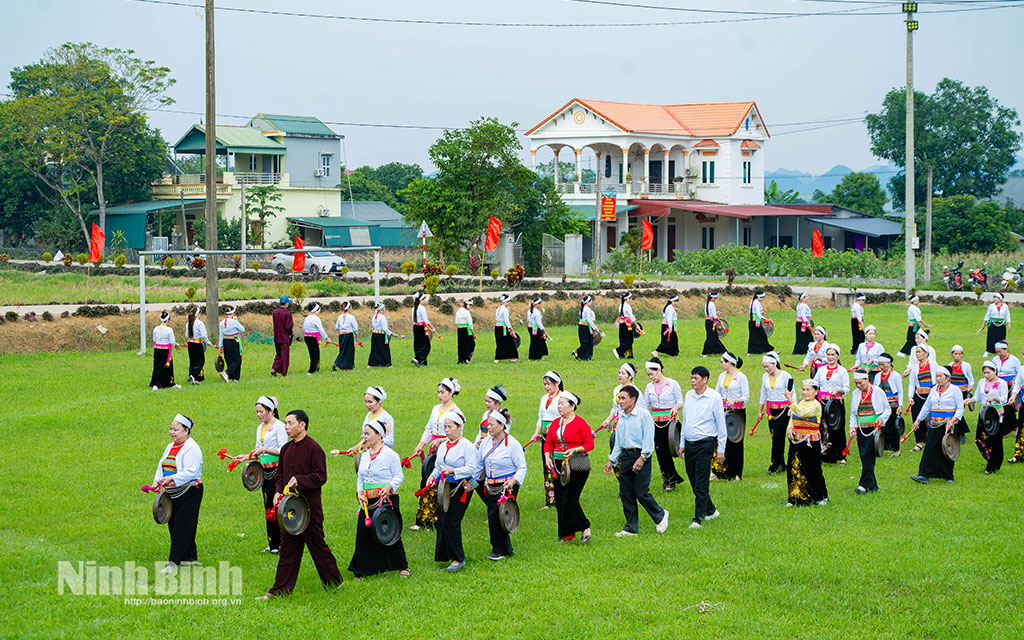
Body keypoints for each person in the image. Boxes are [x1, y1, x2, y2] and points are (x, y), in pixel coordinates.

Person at [258, 409, 343, 599]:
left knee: (318, 548)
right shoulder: (286, 449)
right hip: (288, 510)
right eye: (286, 423)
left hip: (308, 510)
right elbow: (279, 475)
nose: (286, 427)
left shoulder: (314, 448)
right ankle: (279, 591)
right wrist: (278, 491)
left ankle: (335, 583)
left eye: (290, 423)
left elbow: (321, 477)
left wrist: (300, 480)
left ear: (302, 424)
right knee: (287, 552)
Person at [348, 418, 410, 578]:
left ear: (379, 435)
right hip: (367, 501)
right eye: (364, 434)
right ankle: (362, 568)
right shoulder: (365, 455)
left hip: (386, 500)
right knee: (363, 533)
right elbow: (360, 478)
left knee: (389, 532)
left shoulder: (391, 455)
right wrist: (359, 493)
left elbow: (399, 476)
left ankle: (402, 566)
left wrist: (389, 487)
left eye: (368, 434)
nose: (364, 437)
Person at [604, 385, 668, 537]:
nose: (620, 401)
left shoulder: (644, 415)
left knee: (640, 491)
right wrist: (612, 460)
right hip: (625, 456)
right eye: (619, 398)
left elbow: (648, 439)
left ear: (633, 399)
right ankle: (631, 528)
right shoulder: (621, 417)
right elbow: (619, 441)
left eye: (623, 398)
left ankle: (660, 515)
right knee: (625, 492)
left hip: (641, 456)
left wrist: (642, 458)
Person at [426, 410, 481, 572]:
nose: (447, 430)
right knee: (442, 520)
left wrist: (453, 471)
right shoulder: (443, 446)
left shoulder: (467, 446)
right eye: (445, 427)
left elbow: (472, 468)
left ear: (460, 427)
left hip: (462, 487)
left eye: (450, 427)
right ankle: (446, 554)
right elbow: (438, 466)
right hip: (446, 487)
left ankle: (458, 559)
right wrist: (432, 476)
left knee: (452, 521)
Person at [676, 366, 727, 529]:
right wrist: (682, 444)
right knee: (692, 478)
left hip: (705, 443)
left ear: (705, 380)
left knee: (701, 481)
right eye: (691, 378)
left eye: (696, 378)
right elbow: (686, 421)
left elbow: (721, 424)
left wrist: (721, 449)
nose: (692, 381)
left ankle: (699, 518)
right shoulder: (689, 396)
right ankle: (711, 510)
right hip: (690, 443)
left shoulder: (714, 397)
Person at [151, 413, 203, 572]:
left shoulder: (192, 448)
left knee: (182, 526)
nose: (172, 432)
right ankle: (189, 558)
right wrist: (157, 480)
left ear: (186, 431)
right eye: (171, 429)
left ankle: (173, 563)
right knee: (174, 524)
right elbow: (162, 464)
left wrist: (172, 478)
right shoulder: (170, 446)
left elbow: (191, 472)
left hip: (189, 491)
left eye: (176, 429)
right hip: (172, 491)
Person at [234, 396, 286, 553]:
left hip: (276, 471)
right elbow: (257, 449)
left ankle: (282, 543)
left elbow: (283, 450)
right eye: (257, 411)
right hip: (264, 472)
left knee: (277, 507)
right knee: (267, 506)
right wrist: (245, 456)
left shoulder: (280, 427)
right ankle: (272, 543)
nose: (258, 414)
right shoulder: (259, 428)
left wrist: (264, 450)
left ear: (271, 411)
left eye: (261, 411)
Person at [409, 378, 461, 529]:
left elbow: (459, 433)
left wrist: (442, 441)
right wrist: (421, 445)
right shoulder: (435, 409)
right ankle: (423, 519)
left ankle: (440, 517)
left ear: (451, 393)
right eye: (438, 392)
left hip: (448, 449)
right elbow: (429, 429)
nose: (440, 395)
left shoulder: (456, 412)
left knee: (442, 482)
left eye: (443, 392)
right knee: (427, 479)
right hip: (434, 449)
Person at [543, 391, 594, 543]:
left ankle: (585, 527)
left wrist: (575, 450)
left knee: (571, 498)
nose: (559, 406)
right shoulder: (555, 423)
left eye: (562, 403)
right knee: (560, 499)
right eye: (558, 403)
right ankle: (567, 534)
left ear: (572, 406)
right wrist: (547, 456)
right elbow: (549, 443)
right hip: (559, 466)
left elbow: (590, 444)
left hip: (577, 465)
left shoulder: (580, 423)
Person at [477, 409, 527, 560]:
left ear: (502, 425)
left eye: (492, 425)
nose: (489, 428)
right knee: (493, 515)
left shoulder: (512, 444)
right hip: (490, 485)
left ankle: (499, 550)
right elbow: (479, 466)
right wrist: (471, 481)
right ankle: (504, 548)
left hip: (507, 485)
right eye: (487, 425)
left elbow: (522, 466)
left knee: (496, 515)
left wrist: (514, 480)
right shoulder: (485, 443)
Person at [910, 368, 964, 484]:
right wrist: (918, 420)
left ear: (947, 377)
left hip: (948, 424)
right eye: (937, 376)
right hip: (934, 423)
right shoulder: (934, 390)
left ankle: (948, 476)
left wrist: (953, 420)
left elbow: (960, 408)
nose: (938, 379)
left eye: (940, 376)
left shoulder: (955, 390)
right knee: (929, 448)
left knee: (947, 449)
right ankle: (924, 474)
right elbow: (927, 406)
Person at [643, 357, 686, 491]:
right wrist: (647, 416)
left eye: (652, 374)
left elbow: (680, 400)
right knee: (659, 451)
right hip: (656, 423)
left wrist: (675, 408)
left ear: (659, 370)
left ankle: (671, 480)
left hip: (670, 422)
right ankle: (669, 479)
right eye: (648, 375)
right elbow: (645, 405)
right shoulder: (649, 387)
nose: (650, 377)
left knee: (668, 450)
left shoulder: (672, 384)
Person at [784, 380, 828, 506]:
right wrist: (790, 429)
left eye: (808, 390)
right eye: (803, 389)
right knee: (793, 468)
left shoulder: (816, 405)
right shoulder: (799, 403)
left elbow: (802, 413)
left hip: (810, 442)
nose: (805, 392)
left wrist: (790, 399)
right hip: (796, 441)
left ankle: (820, 497)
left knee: (813, 470)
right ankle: (795, 498)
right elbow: (792, 418)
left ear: (816, 391)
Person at [848, 371, 892, 494]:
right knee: (864, 456)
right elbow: (853, 412)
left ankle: (862, 485)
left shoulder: (878, 391)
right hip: (861, 429)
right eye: (856, 383)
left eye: (860, 383)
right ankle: (872, 486)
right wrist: (852, 427)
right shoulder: (855, 393)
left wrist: (881, 418)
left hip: (874, 429)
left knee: (868, 454)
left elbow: (887, 409)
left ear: (867, 379)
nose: (858, 386)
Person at [713, 352, 748, 481]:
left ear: (729, 362)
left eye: (722, 361)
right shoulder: (722, 376)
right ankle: (720, 471)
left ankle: (736, 472)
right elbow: (717, 392)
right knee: (722, 440)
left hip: (737, 412)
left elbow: (746, 396)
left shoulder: (741, 377)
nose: (721, 364)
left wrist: (735, 400)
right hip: (723, 411)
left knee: (736, 442)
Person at [814, 343, 850, 464]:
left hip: (836, 403)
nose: (830, 357)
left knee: (837, 428)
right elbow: (815, 384)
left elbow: (847, 388)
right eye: (828, 354)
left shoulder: (842, 371)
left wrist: (838, 391)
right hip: (823, 402)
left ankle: (840, 455)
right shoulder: (821, 370)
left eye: (833, 355)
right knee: (823, 428)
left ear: (838, 356)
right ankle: (825, 454)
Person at [531, 371, 563, 508]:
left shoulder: (563, 397)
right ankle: (550, 500)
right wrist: (536, 433)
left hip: (558, 437)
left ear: (557, 383)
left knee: (559, 465)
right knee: (547, 466)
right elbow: (540, 417)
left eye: (549, 384)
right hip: (545, 437)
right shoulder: (544, 398)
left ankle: (562, 495)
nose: (546, 387)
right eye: (545, 384)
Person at [758, 352, 793, 474]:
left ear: (775, 364)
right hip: (771, 411)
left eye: (768, 366)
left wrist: (792, 407)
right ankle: (781, 464)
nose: (766, 369)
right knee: (774, 437)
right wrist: (760, 411)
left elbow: (791, 392)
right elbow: (763, 394)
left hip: (783, 410)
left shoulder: (785, 375)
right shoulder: (764, 376)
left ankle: (774, 466)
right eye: (764, 367)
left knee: (778, 437)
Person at [970, 361, 1007, 474]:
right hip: (984, 413)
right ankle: (991, 459)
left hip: (995, 413)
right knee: (979, 439)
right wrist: (969, 401)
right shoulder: (981, 382)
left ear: (995, 371)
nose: (986, 375)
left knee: (995, 440)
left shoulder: (1002, 383)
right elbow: (977, 396)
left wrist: (995, 398)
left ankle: (991, 466)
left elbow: (1004, 399)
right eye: (984, 373)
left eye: (989, 373)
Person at [600, 363, 639, 453]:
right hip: (618, 423)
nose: (620, 375)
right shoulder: (617, 389)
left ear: (630, 376)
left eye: (623, 373)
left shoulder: (635, 391)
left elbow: (641, 409)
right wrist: (608, 420)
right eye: (619, 373)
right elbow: (615, 409)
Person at [906, 344, 938, 452]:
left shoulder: (933, 365)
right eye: (916, 352)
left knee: (931, 418)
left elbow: (938, 380)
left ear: (926, 353)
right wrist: (910, 396)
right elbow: (912, 383)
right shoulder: (915, 368)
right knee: (916, 416)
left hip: (931, 394)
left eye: (919, 352)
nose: (918, 354)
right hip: (919, 395)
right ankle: (919, 443)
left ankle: (930, 440)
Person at [873, 354, 904, 456]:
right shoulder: (878, 376)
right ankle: (883, 446)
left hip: (893, 404)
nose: (882, 367)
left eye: (884, 365)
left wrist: (900, 405)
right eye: (880, 365)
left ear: (889, 364)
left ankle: (896, 449)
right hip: (882, 404)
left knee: (892, 427)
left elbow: (900, 391)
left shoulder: (895, 375)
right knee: (882, 426)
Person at [948, 344, 975, 441]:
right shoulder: (950, 366)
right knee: (954, 412)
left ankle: (960, 433)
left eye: (959, 354)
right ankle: (959, 432)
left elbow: (971, 379)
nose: (957, 356)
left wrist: (970, 386)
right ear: (952, 354)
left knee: (958, 412)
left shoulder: (966, 366)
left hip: (963, 392)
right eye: (955, 354)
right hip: (953, 393)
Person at [150, 311, 180, 390]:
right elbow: (172, 342)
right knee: (168, 367)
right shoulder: (169, 330)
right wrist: (176, 344)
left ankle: (156, 384)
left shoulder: (156, 328)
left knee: (157, 367)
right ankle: (170, 383)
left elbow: (154, 339)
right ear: (168, 320)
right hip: (166, 351)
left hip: (157, 349)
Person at [977, 292, 1011, 357]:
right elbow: (987, 315)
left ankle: (1001, 351)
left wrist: (1009, 323)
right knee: (990, 338)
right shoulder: (991, 306)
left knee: (1001, 338)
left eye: (996, 298)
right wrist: (983, 324)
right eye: (994, 298)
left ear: (999, 299)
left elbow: (1007, 315)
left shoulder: (1005, 306)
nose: (994, 299)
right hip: (993, 325)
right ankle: (988, 351)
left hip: (1001, 325)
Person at [185, 305, 212, 385]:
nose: (201, 315)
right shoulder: (199, 323)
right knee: (201, 362)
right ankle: (193, 375)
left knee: (193, 361)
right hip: (197, 344)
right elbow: (204, 335)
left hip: (190, 343)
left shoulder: (188, 323)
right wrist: (208, 342)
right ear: (197, 314)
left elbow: (187, 335)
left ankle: (196, 379)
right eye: (200, 313)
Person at [218, 306, 245, 382]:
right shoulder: (234, 322)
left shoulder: (222, 323)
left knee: (229, 359)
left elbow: (221, 335)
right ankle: (227, 373)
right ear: (232, 313)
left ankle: (233, 377)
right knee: (237, 360)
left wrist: (220, 346)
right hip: (233, 341)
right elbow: (242, 329)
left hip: (225, 341)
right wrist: (237, 320)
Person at [332, 301, 360, 371]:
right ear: (349, 308)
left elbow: (337, 327)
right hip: (349, 335)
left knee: (342, 350)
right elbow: (355, 328)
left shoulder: (339, 317)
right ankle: (347, 366)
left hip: (341, 335)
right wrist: (356, 334)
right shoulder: (351, 317)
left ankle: (343, 365)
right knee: (350, 351)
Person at [411, 292, 437, 367]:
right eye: (423, 299)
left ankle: (422, 361)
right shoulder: (422, 308)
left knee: (418, 344)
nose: (424, 301)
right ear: (420, 300)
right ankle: (417, 359)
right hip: (421, 327)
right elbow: (426, 320)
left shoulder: (414, 308)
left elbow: (413, 320)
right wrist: (432, 328)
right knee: (426, 345)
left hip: (415, 327)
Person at [302, 303, 329, 375]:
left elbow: (304, 328)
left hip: (307, 337)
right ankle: (312, 370)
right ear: (316, 310)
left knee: (312, 353)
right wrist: (326, 338)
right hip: (313, 337)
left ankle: (316, 367)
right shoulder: (316, 318)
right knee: (315, 354)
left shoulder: (307, 317)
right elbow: (321, 329)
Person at [271, 296, 293, 377]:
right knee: (285, 356)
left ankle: (274, 368)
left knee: (278, 354)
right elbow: (288, 326)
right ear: (286, 303)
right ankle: (283, 372)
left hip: (277, 336)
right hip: (284, 337)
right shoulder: (287, 313)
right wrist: (291, 334)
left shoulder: (275, 312)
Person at [494, 294, 519, 363]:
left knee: (499, 343)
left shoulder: (499, 308)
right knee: (510, 342)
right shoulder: (505, 310)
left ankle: (497, 359)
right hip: (502, 328)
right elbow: (506, 321)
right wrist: (511, 330)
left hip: (497, 327)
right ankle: (513, 358)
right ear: (505, 302)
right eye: (508, 301)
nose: (509, 303)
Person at [367, 302, 393, 368]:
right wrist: (391, 333)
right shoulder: (382, 318)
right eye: (384, 308)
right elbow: (384, 328)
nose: (385, 309)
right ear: (381, 310)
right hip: (381, 335)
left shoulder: (374, 317)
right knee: (384, 349)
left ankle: (371, 364)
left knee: (374, 349)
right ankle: (388, 364)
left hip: (375, 334)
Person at [573, 295, 599, 361]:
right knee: (588, 342)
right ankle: (577, 351)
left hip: (581, 326)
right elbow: (589, 320)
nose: (591, 302)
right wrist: (595, 328)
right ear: (588, 302)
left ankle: (583, 356)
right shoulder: (587, 309)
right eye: (590, 301)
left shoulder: (582, 309)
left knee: (584, 342)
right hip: (586, 327)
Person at [613, 292, 637, 360]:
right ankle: (618, 350)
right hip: (627, 324)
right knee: (630, 340)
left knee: (623, 340)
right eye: (631, 298)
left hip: (621, 324)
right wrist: (637, 325)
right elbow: (631, 318)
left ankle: (628, 355)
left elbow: (623, 315)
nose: (631, 300)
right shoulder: (628, 306)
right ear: (628, 299)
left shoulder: (620, 305)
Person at [455, 299, 476, 364]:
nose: (470, 307)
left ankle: (461, 359)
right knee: (471, 344)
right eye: (470, 305)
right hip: (466, 329)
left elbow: (456, 321)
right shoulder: (467, 312)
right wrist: (471, 330)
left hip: (459, 329)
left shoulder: (458, 311)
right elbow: (470, 322)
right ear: (466, 305)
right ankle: (467, 358)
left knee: (461, 345)